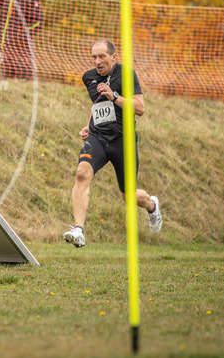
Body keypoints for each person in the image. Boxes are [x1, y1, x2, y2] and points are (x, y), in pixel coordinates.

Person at [63, 39, 162, 248]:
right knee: (81, 174)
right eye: (94, 57)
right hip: (97, 137)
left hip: (122, 141)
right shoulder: (88, 77)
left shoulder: (126, 74)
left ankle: (152, 205)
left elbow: (140, 108)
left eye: (102, 56)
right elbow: (97, 105)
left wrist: (115, 95)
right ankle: (79, 230)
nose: (97, 61)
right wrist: (88, 125)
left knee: (129, 197)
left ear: (113, 57)